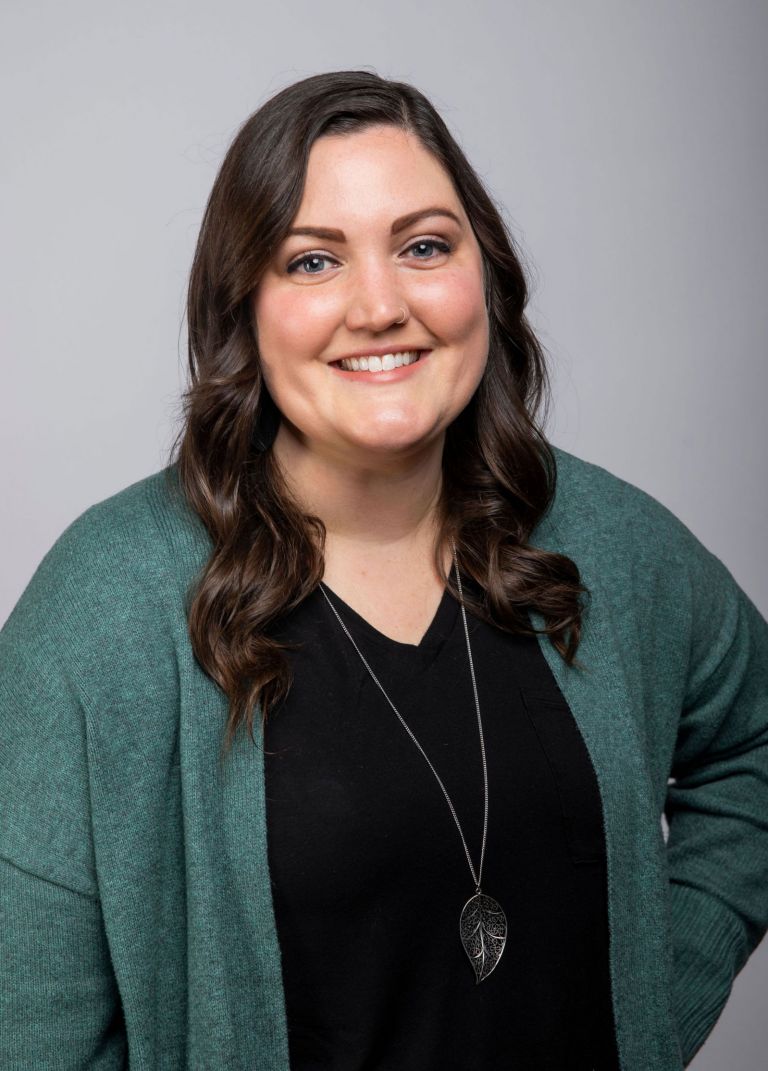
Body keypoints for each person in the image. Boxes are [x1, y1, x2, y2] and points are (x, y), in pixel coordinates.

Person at [1, 69, 766, 1071]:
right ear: (245, 308)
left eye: (423, 246)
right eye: (313, 261)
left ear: (482, 272)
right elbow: (30, 1026)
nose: (380, 304)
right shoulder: (107, 605)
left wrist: (648, 1007)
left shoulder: (609, 541)